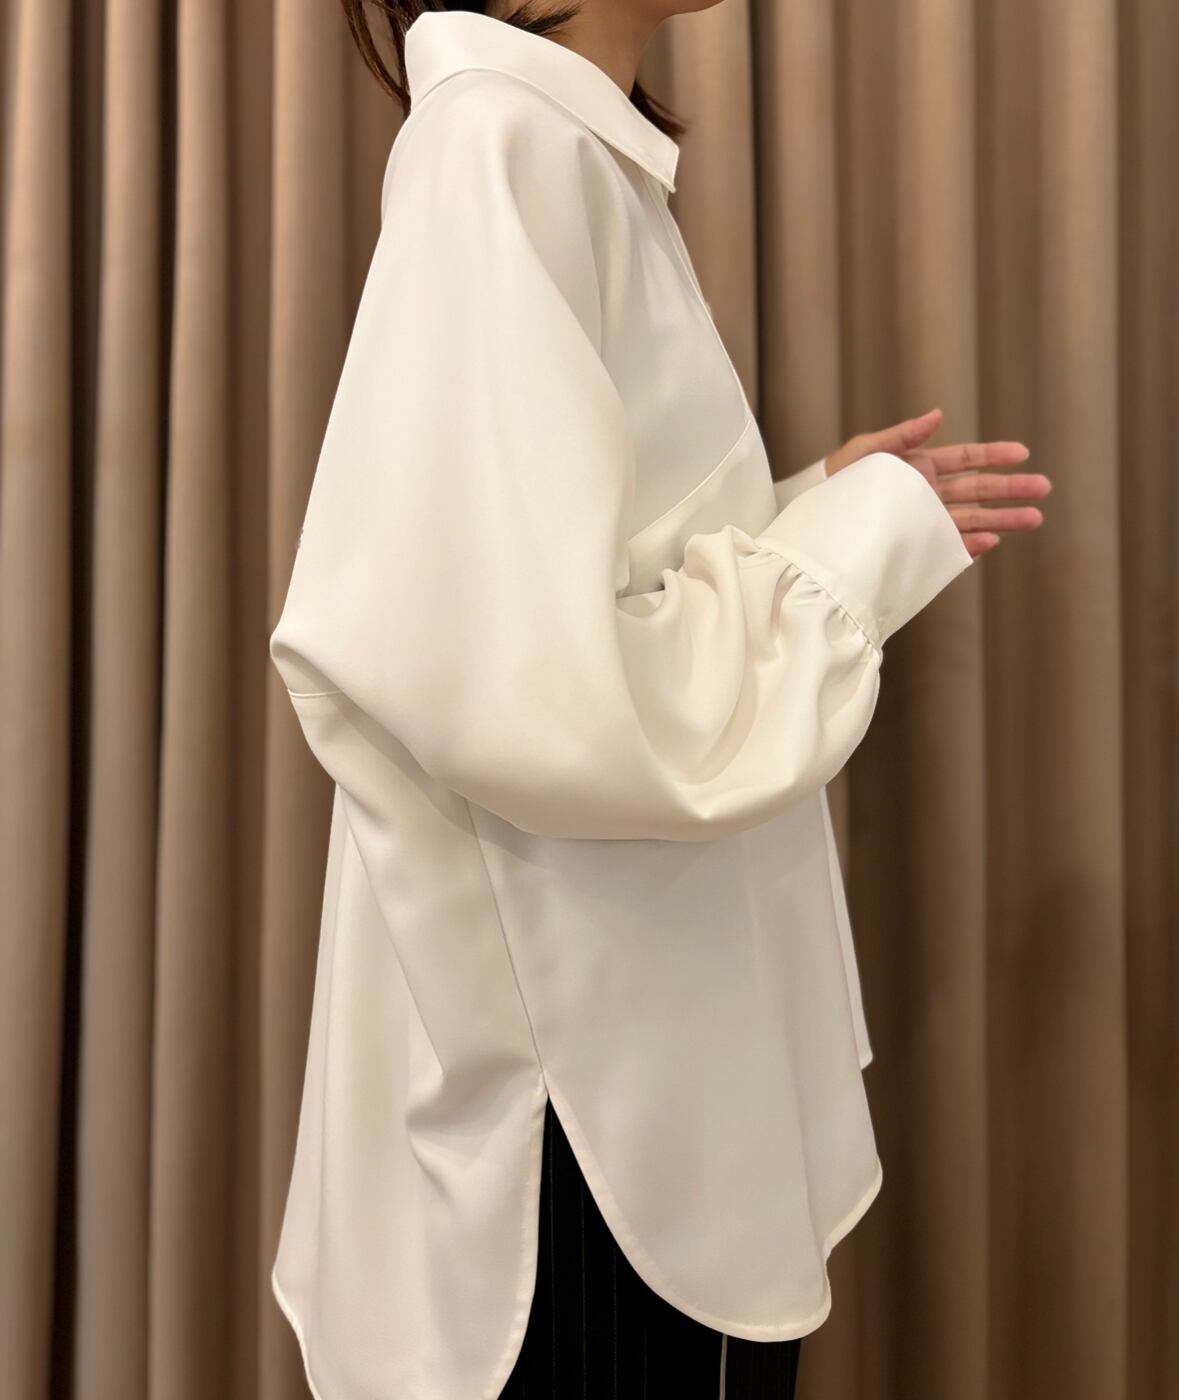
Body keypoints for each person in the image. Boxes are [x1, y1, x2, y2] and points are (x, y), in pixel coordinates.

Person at [267, 4, 1051, 1398]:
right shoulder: (499, 148)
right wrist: (843, 551)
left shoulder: (559, 151)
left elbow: (566, 602)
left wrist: (803, 510)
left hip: (627, 1091)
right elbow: (539, 692)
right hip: (583, 1131)